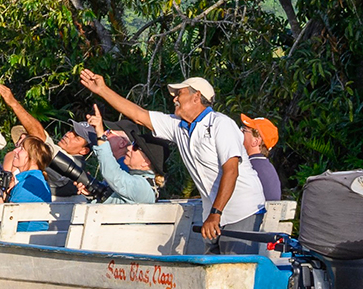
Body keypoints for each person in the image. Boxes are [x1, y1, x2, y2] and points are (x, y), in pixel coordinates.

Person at [77, 70, 265, 250]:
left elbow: (231, 170)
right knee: (215, 276)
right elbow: (138, 115)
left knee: (235, 272)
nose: (174, 98)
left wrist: (216, 213)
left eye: (179, 94)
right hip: (214, 215)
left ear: (196, 97)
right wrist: (102, 89)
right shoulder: (178, 126)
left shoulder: (220, 123)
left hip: (241, 211)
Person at [0, 81, 95, 197]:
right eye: (71, 131)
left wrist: (14, 103)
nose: (68, 135)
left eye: (76, 137)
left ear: (84, 151)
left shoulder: (71, 164)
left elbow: (40, 137)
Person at [84, 103, 158, 205]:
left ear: (146, 162)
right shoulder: (139, 184)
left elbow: (114, 176)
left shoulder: (142, 187)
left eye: (135, 147)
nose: (129, 147)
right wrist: (92, 192)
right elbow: (113, 199)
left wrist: (101, 136)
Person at [239, 115, 283, 201]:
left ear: (256, 141)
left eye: (244, 130)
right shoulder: (267, 167)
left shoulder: (248, 167)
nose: (239, 132)